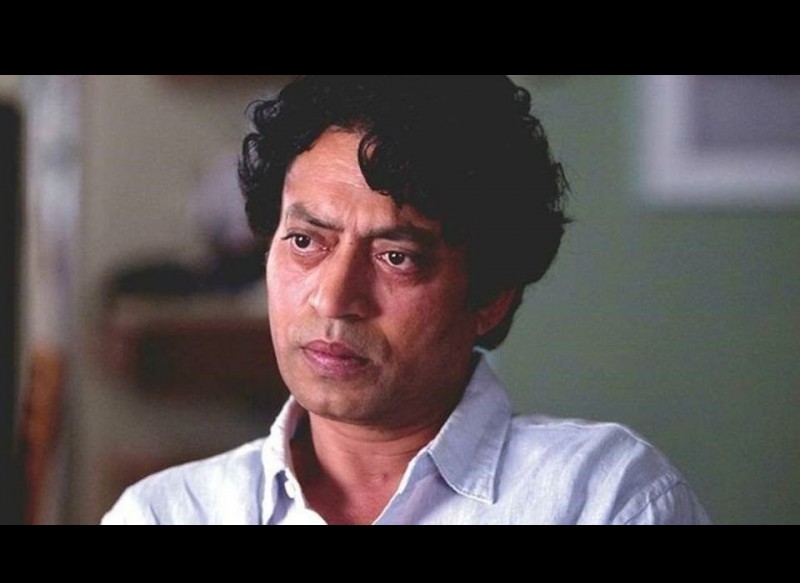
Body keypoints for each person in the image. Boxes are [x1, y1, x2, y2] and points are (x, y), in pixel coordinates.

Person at [102, 75, 710, 525]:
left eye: (396, 257)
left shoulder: (600, 500)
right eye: (306, 242)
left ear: (491, 296)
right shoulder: (167, 514)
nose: (334, 298)